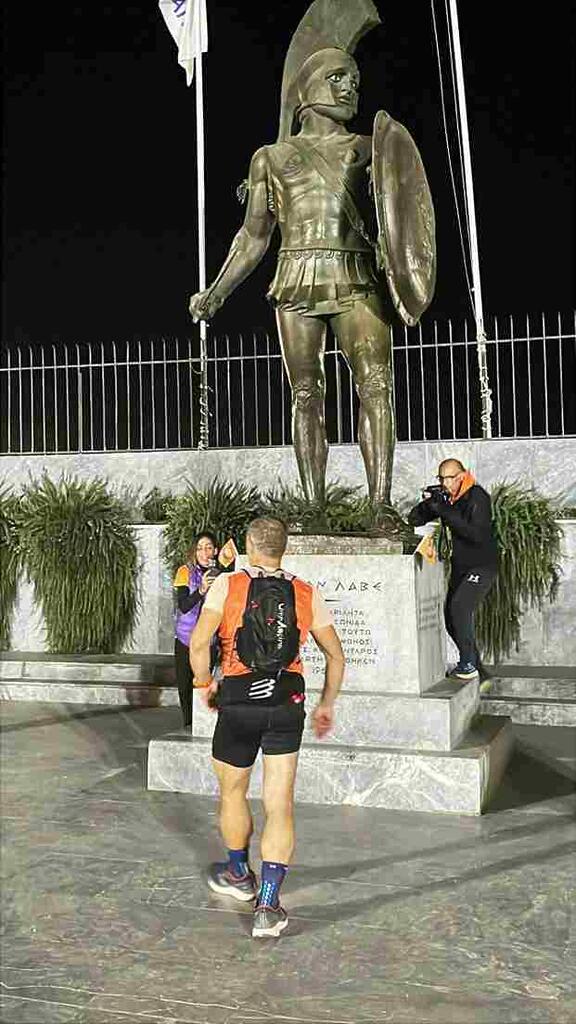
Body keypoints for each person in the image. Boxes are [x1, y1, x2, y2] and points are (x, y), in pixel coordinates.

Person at [188, 0, 435, 537]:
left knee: (376, 385)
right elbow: (254, 235)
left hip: (357, 275)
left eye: (355, 81)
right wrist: (217, 292)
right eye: (339, 78)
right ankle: (313, 504)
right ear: (309, 89)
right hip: (295, 276)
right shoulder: (270, 158)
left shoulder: (369, 149)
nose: (350, 89)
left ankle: (379, 505)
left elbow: (404, 210)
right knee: (305, 393)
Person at [189, 517, 346, 939]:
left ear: (248, 545)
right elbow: (336, 656)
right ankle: (268, 904)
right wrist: (326, 704)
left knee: (233, 791)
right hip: (286, 703)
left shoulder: (228, 585)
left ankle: (239, 874)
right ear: (283, 548)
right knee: (279, 803)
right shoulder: (305, 591)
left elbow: (199, 642)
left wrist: (204, 685)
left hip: (239, 703)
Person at [408, 459, 498, 681]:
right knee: (450, 617)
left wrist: (444, 510)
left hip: (482, 566)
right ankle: (477, 668)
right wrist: (429, 504)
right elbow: (414, 519)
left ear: (461, 476)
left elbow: (475, 534)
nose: (444, 483)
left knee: (460, 608)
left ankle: (468, 663)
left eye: (448, 478)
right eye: (441, 479)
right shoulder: (448, 498)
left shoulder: (477, 497)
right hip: (460, 567)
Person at [173, 532, 221, 729]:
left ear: (216, 551)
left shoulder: (221, 575)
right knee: (185, 687)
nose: (204, 552)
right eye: (200, 548)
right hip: (185, 639)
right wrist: (201, 590)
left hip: (209, 641)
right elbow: (184, 606)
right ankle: (188, 725)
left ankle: (206, 727)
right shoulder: (185, 571)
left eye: (208, 548)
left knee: (205, 685)